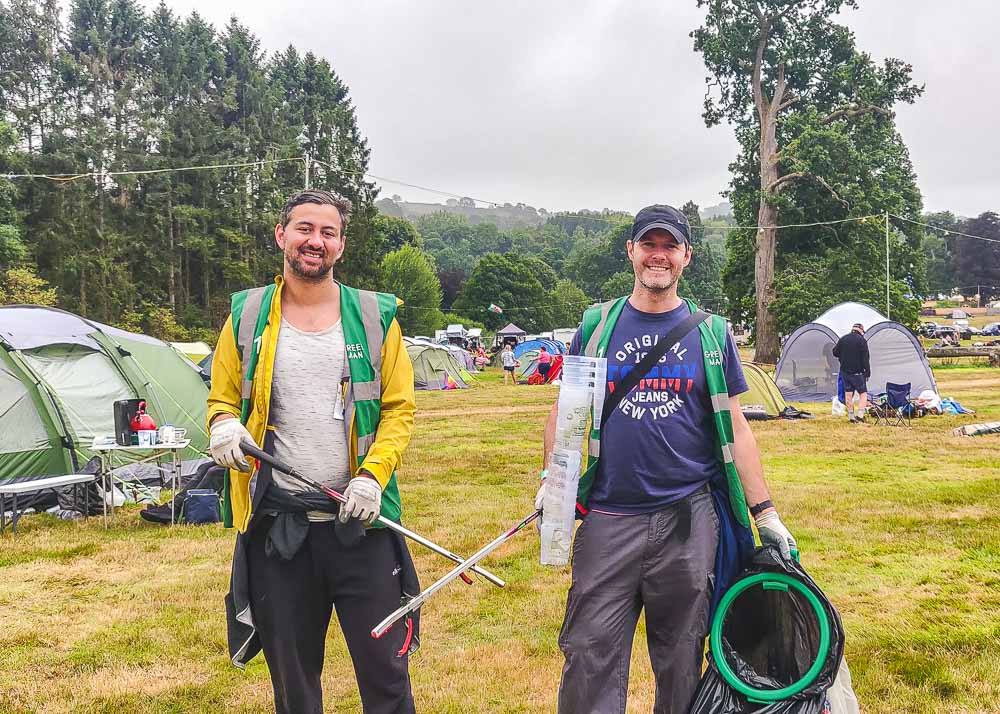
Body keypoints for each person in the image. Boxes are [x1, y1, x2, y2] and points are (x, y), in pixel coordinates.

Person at [536, 204, 797, 714]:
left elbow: (736, 426)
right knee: (588, 651)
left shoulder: (712, 333)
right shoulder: (597, 325)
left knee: (681, 655)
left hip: (688, 520)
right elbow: (566, 411)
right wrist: (554, 480)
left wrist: (765, 512)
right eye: (648, 245)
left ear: (686, 257)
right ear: (631, 251)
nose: (659, 256)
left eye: (669, 246)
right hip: (609, 517)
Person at [207, 189, 418, 714]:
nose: (314, 241)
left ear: (341, 245)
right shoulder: (247, 314)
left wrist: (371, 476)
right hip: (281, 533)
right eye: (304, 228)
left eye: (327, 232)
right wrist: (225, 424)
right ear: (281, 235)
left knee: (387, 680)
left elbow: (399, 409)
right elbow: (221, 397)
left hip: (361, 528)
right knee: (295, 688)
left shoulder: (374, 317)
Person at [832, 322, 870, 423]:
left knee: (848, 394)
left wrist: (843, 356)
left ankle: (851, 417)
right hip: (858, 373)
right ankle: (860, 415)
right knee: (863, 393)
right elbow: (865, 358)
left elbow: (834, 352)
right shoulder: (862, 341)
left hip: (845, 372)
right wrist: (868, 372)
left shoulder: (843, 339)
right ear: (861, 330)